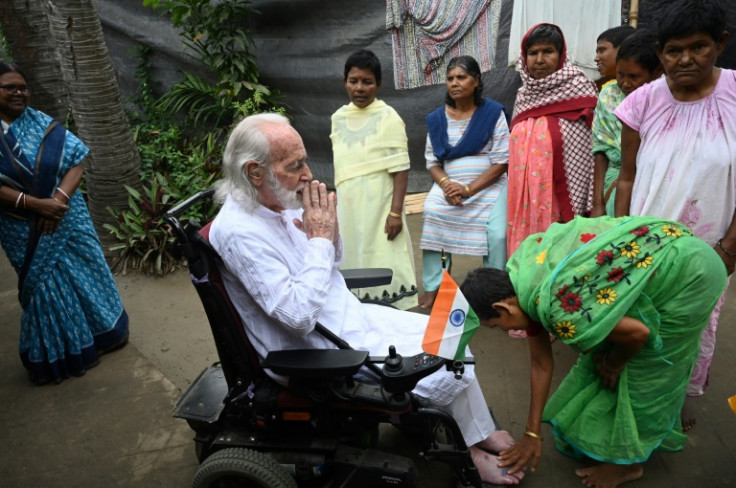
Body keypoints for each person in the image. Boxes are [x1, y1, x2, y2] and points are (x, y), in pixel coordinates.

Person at [208, 113, 524, 485]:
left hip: (347, 318)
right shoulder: (239, 232)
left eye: (304, 161)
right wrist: (321, 239)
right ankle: (469, 449)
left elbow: (332, 264)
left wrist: (330, 233)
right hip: (320, 347)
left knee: (449, 333)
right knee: (443, 358)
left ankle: (476, 430)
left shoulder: (276, 203)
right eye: (295, 166)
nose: (308, 174)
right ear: (255, 173)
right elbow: (296, 317)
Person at [461, 216, 727, 488]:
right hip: (666, 244)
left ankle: (629, 466)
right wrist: (531, 432)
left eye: (496, 326)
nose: (505, 333)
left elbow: (639, 333)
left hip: (693, 275)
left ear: (503, 308)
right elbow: (541, 363)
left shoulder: (558, 309)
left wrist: (614, 363)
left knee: (646, 369)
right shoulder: (524, 272)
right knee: (601, 348)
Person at [614, 0, 734, 431]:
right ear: (659, 52)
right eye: (672, 50)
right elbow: (625, 178)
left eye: (698, 47)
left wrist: (729, 248)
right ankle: (630, 401)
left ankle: (673, 399)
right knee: (637, 319)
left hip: (708, 249)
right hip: (641, 241)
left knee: (691, 327)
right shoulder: (643, 100)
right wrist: (617, 234)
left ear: (720, 43)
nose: (685, 59)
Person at [0, 62, 129, 385]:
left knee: (86, 272)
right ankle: (63, 352)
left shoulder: (40, 122)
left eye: (22, 87)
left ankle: (106, 334)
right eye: (10, 88)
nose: (19, 93)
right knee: (43, 285)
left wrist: (56, 201)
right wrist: (33, 205)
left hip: (66, 216)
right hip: (21, 226)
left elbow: (76, 161)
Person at [418, 55, 509, 310]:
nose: (454, 83)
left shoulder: (493, 113)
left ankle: (493, 292)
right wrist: (448, 185)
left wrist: (469, 189)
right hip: (449, 185)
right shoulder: (437, 119)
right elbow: (432, 162)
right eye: (450, 78)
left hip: (490, 185)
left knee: (497, 233)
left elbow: (503, 162)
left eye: (461, 77)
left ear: (476, 80)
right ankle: (435, 287)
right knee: (432, 213)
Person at [330, 49, 417, 310]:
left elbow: (400, 169)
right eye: (354, 80)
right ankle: (358, 308)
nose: (359, 88)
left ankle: (389, 309)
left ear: (378, 84)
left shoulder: (388, 117)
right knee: (353, 253)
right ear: (345, 82)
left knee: (383, 253)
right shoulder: (337, 119)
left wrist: (395, 212)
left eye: (367, 81)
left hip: (381, 203)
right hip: (349, 204)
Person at [506, 23, 598, 258]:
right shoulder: (524, 95)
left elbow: (590, 147)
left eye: (547, 51)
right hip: (525, 195)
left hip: (562, 192)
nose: (539, 59)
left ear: (561, 54)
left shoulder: (580, 88)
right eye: (532, 53)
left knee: (559, 249)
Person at [590, 30, 662, 217]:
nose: (625, 83)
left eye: (634, 76)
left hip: (657, 182)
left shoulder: (667, 100)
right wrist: (598, 204)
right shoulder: (609, 96)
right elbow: (601, 150)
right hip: (615, 181)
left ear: (657, 73)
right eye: (621, 75)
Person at [593, 25, 636, 91]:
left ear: (623, 48)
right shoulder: (606, 88)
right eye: (597, 52)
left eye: (602, 50)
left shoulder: (640, 86)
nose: (596, 58)